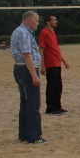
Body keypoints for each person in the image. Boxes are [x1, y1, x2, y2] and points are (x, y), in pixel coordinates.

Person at [11, 11, 47, 143]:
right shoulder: (25, 33)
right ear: (29, 20)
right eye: (36, 21)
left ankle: (24, 134)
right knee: (33, 104)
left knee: (25, 104)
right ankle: (34, 136)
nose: (38, 24)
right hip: (27, 70)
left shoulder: (17, 31)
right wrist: (34, 75)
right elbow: (27, 55)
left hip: (19, 68)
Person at [39, 15, 70, 115]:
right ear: (48, 22)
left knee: (58, 86)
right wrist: (42, 65)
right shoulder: (44, 32)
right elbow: (41, 49)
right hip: (50, 63)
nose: (56, 22)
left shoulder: (53, 33)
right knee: (52, 86)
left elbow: (56, 49)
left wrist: (64, 61)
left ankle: (57, 107)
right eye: (54, 20)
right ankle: (51, 109)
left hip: (56, 62)